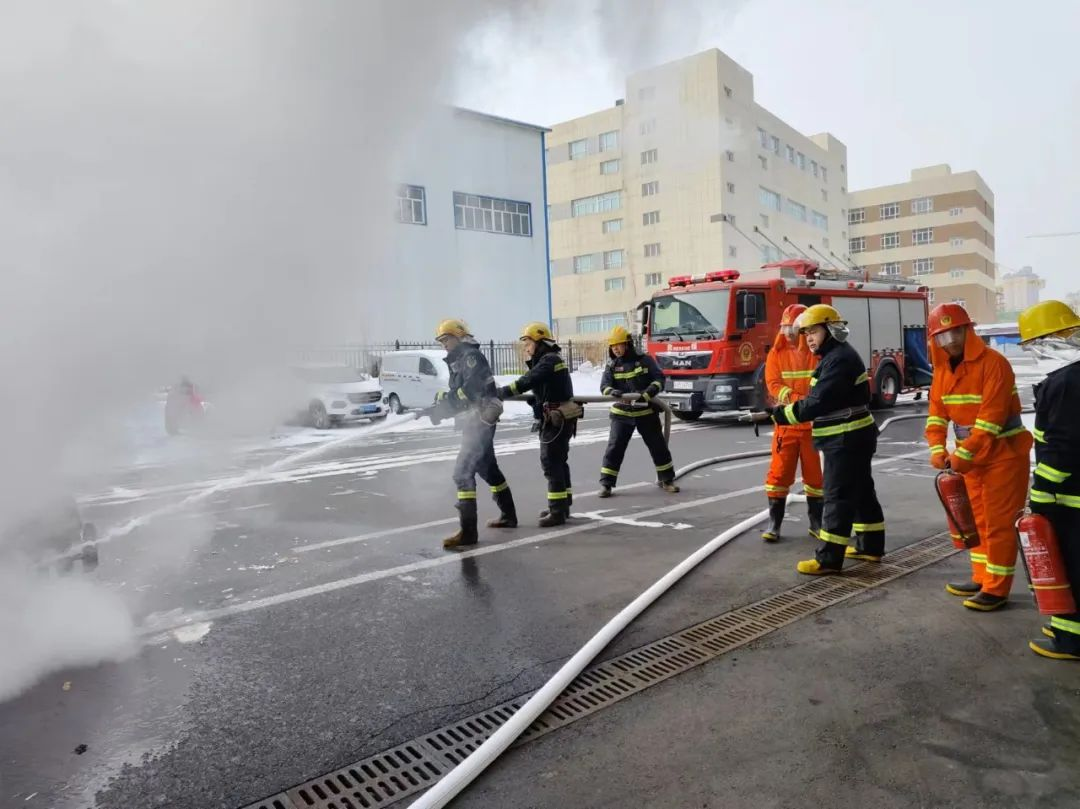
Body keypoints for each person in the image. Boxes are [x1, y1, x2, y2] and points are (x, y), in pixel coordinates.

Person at [758, 304, 885, 575]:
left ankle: (828, 559)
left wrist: (780, 415)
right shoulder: (834, 356)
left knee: (837, 496)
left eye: (814, 332)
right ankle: (870, 545)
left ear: (831, 329)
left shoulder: (837, 359)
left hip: (846, 437)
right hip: (853, 435)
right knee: (862, 491)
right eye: (806, 333)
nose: (809, 339)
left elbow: (817, 403)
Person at [924, 303, 1031, 611]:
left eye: (956, 332)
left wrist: (963, 454)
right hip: (971, 459)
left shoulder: (995, 364)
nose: (950, 341)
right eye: (943, 336)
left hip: (1005, 455)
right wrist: (937, 448)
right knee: (977, 521)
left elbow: (990, 421)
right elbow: (936, 415)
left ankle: (997, 589)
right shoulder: (942, 372)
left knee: (999, 523)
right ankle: (982, 578)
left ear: (968, 331)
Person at [1018, 299, 1080, 658]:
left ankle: (1070, 639)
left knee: (1071, 564)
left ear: (1053, 341)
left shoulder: (1066, 382)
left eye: (1035, 345)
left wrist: (1041, 493)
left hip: (1070, 498)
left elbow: (1061, 447)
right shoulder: (1071, 377)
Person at [431, 319, 516, 549]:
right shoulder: (459, 359)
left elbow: (470, 391)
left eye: (446, 339)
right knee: (488, 468)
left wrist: (445, 405)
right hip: (474, 419)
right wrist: (440, 411)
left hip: (480, 419)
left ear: (458, 336)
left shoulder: (470, 357)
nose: (444, 344)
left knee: (463, 472)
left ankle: (468, 532)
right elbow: (460, 396)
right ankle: (509, 515)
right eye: (441, 341)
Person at [497, 322, 577, 527]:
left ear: (539, 342)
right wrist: (537, 400)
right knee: (559, 461)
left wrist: (502, 392)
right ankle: (563, 505)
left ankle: (557, 511)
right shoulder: (551, 359)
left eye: (528, 343)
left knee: (551, 462)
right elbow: (548, 387)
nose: (526, 347)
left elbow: (527, 381)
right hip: (558, 417)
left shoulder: (548, 360)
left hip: (555, 419)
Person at [761, 304, 823, 542]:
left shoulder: (816, 353)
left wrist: (805, 404)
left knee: (816, 478)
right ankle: (774, 525)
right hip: (786, 425)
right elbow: (773, 384)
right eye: (784, 327)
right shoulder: (776, 354)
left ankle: (816, 524)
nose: (787, 332)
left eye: (792, 327)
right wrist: (799, 400)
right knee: (778, 475)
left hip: (812, 426)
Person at [597, 325, 679, 497]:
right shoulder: (612, 365)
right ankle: (606, 484)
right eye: (613, 346)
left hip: (645, 413)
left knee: (658, 447)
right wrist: (613, 392)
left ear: (627, 344)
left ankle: (667, 480)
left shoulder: (645, 360)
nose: (615, 349)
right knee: (614, 449)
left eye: (618, 345)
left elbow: (659, 379)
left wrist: (648, 394)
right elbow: (604, 386)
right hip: (622, 414)